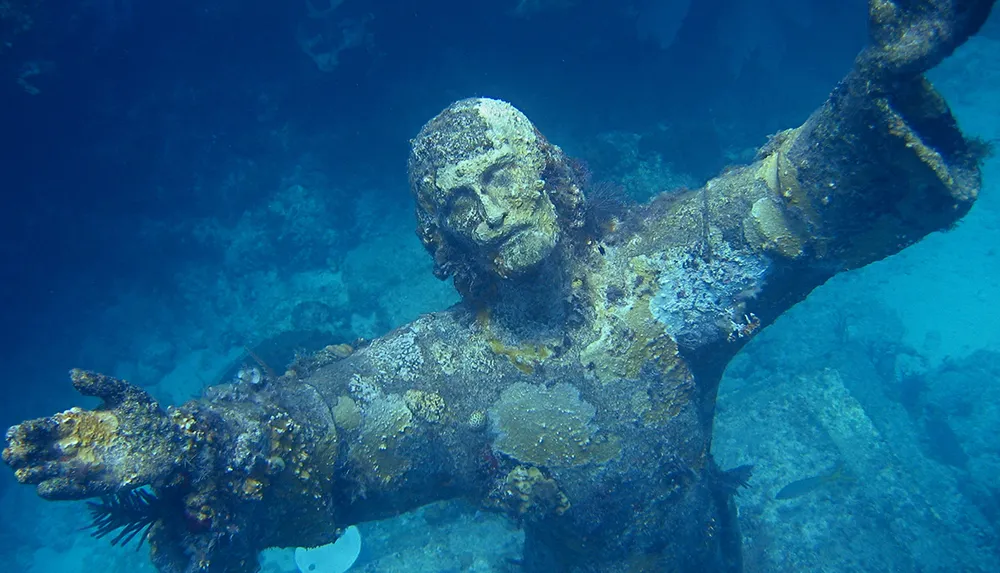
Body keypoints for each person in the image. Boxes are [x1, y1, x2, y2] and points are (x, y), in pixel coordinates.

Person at [4, 1, 995, 571]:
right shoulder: (442, 381)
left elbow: (787, 200)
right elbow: (318, 423)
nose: (485, 208)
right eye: (455, 202)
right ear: (439, 239)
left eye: (499, 174)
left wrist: (879, 86)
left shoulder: (662, 277)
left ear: (550, 172)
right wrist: (187, 449)